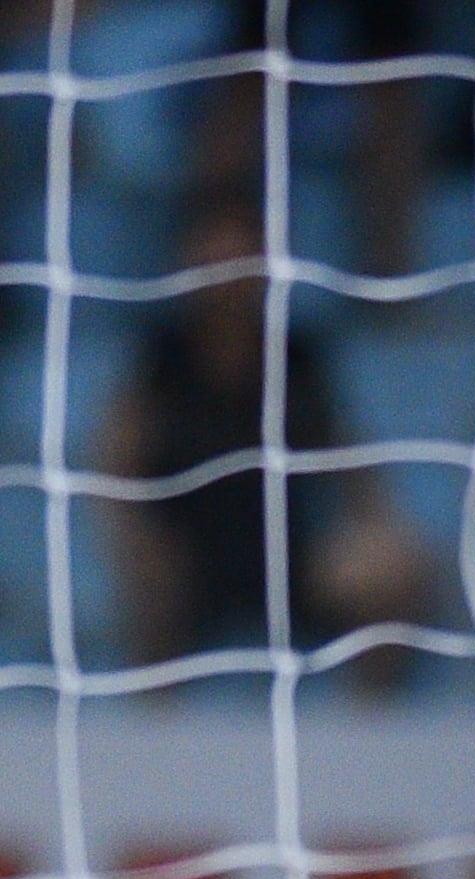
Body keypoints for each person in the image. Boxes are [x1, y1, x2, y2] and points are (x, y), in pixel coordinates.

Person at [97, 202, 435, 673]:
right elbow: (114, 464)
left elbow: (351, 463)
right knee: (151, 580)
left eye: (239, 263)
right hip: (189, 563)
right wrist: (138, 540)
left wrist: (376, 527)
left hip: (289, 560)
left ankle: (369, 730)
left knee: (389, 569)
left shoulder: (296, 358)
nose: (227, 283)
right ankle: (151, 727)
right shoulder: (160, 362)